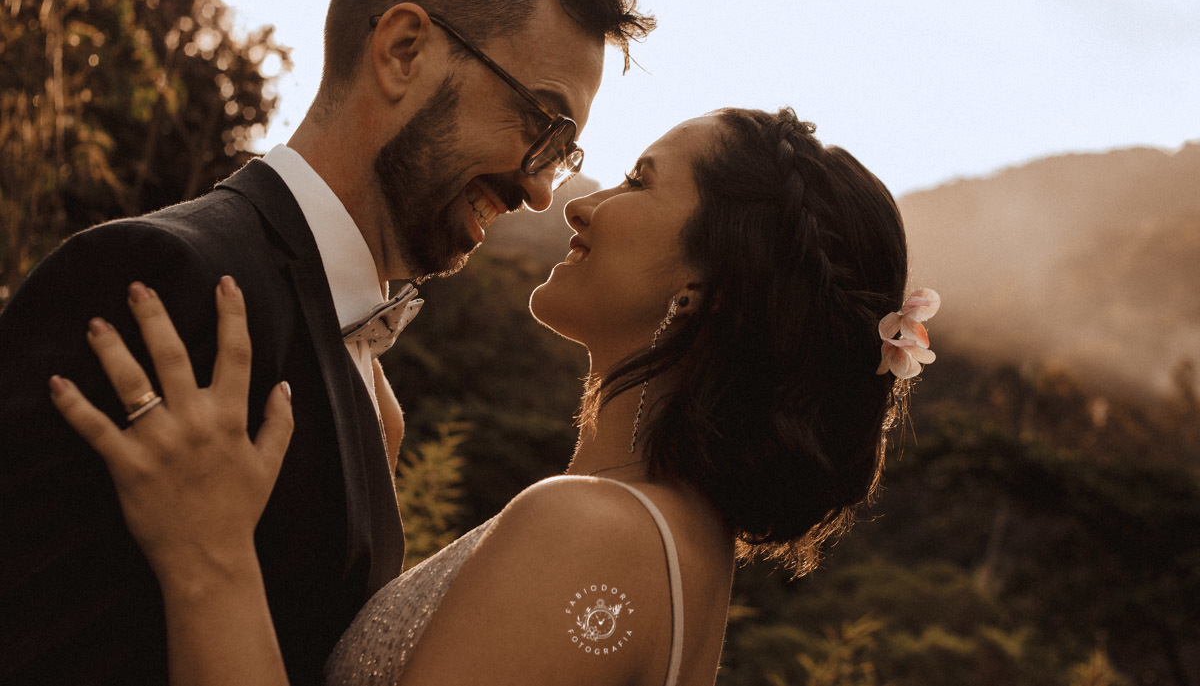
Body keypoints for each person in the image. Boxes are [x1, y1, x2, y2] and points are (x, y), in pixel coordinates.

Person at [0, 0, 652, 684]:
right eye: (540, 123)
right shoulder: (165, 282)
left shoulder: (368, 383)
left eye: (562, 153)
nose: (543, 190)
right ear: (403, 51)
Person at [49, 107, 941, 685]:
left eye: (639, 180)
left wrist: (208, 555)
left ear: (702, 292)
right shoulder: (676, 541)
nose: (580, 204)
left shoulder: (595, 533)